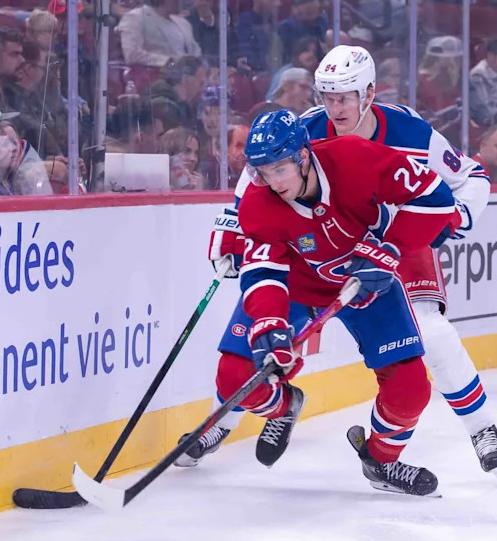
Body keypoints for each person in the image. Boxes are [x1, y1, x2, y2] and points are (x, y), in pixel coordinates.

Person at [191, 45, 497, 485]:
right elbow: (257, 179)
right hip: (315, 249)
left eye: (344, 96)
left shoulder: (409, 133)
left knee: (430, 337)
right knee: (259, 341)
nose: (334, 107)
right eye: (326, 96)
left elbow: (468, 179)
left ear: (370, 92)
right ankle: (227, 418)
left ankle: (480, 429)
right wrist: (230, 227)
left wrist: (454, 219)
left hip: (398, 234)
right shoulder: (300, 135)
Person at [195, 108, 457, 496]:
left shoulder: (355, 156)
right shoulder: (258, 200)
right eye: (261, 171)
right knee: (236, 377)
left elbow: (436, 198)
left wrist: (391, 249)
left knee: (411, 389)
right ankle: (284, 407)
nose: (271, 181)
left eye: (279, 169)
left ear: (303, 156)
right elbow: (264, 271)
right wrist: (268, 322)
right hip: (298, 287)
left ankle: (381, 461)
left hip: (368, 284)